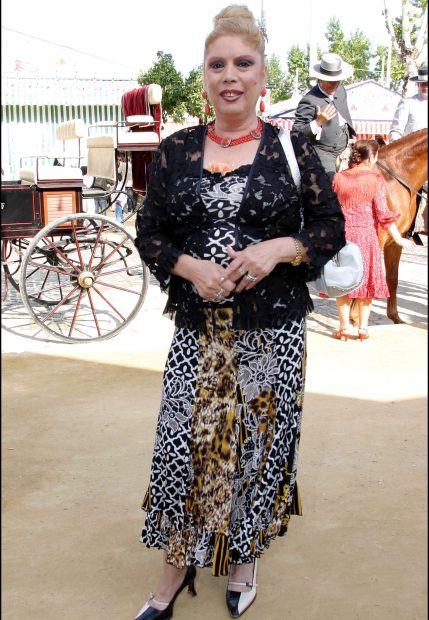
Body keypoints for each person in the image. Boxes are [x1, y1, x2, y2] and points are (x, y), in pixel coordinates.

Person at [134, 6, 345, 619]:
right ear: (203, 77)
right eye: (217, 64)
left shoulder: (294, 146)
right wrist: (189, 267)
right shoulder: (175, 151)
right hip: (200, 330)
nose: (230, 75)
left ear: (262, 75)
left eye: (242, 63)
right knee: (182, 444)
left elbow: (328, 225)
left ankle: (243, 555)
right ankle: (175, 567)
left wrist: (282, 247)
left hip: (273, 328)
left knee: (258, 445)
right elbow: (150, 233)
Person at [331, 139, 415, 341]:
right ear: (373, 157)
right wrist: (399, 239)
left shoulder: (338, 178)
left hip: (343, 237)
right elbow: (384, 214)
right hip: (367, 237)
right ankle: (363, 328)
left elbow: (331, 211)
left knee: (343, 283)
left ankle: (343, 328)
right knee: (366, 283)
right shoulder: (376, 179)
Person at [292, 53, 356, 179]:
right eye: (331, 82)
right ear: (320, 79)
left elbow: (345, 114)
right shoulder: (309, 100)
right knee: (329, 186)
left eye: (338, 80)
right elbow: (295, 133)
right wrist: (317, 122)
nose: (335, 84)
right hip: (323, 152)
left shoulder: (341, 90)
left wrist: (351, 136)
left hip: (346, 148)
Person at [389, 64, 428, 243]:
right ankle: (409, 228)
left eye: (427, 84)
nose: (424, 87)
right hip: (410, 160)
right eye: (422, 84)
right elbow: (396, 131)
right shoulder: (408, 103)